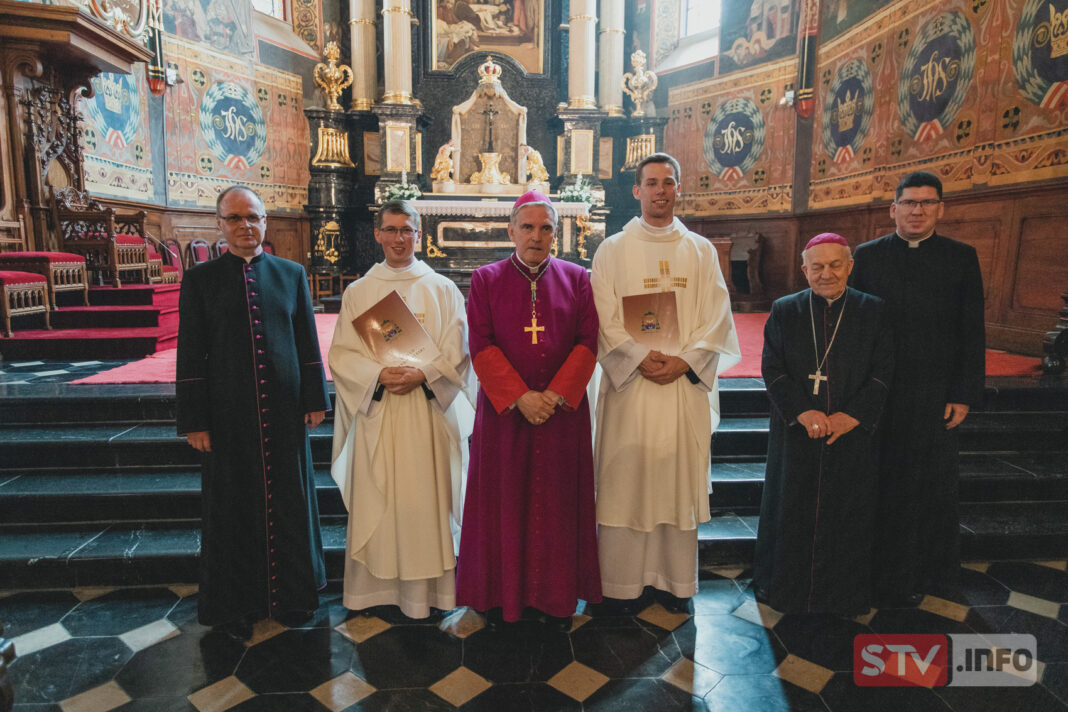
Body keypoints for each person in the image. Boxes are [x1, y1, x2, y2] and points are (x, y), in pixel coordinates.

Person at [176, 186, 329, 639]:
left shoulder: (291, 273)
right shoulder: (201, 280)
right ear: (220, 225)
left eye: (254, 217)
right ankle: (237, 602)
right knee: (232, 507)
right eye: (236, 218)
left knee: (291, 501)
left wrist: (315, 398)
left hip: (285, 411)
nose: (246, 226)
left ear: (265, 222)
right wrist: (195, 420)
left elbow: (306, 340)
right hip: (226, 415)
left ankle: (295, 597)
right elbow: (190, 354)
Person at [591, 153, 740, 613]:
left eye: (668, 182)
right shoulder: (612, 249)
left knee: (675, 479)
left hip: (681, 387)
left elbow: (717, 317)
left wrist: (685, 362)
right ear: (636, 191)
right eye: (651, 183)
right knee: (625, 480)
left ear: (678, 189)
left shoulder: (700, 250)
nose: (660, 190)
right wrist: (638, 358)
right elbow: (602, 315)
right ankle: (621, 585)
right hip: (631, 388)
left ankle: (674, 582)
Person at [456, 190, 602, 628]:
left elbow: (587, 341)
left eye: (546, 228)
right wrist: (521, 397)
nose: (536, 236)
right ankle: (501, 596)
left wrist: (554, 396)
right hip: (506, 415)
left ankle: (556, 596)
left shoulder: (577, 278)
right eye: (528, 227)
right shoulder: (485, 279)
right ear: (511, 231)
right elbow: (480, 344)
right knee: (503, 498)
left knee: (558, 503)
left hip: (562, 415)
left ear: (557, 233)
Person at [328, 200, 472, 619]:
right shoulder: (360, 292)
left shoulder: (442, 288)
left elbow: (457, 352)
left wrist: (423, 375)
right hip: (381, 414)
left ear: (419, 236)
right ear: (377, 234)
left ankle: (430, 595)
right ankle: (375, 592)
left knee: (425, 501)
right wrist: (378, 376)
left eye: (406, 230)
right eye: (390, 230)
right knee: (382, 496)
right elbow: (342, 355)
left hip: (426, 417)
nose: (398, 238)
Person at [851, 171, 985, 605]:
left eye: (927, 203)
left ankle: (929, 573)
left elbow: (971, 329)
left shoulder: (961, 257)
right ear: (893, 209)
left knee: (931, 485)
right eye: (909, 202)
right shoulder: (867, 257)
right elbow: (853, 326)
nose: (917, 210)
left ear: (940, 209)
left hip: (933, 394)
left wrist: (963, 392)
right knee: (881, 481)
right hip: (879, 391)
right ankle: (877, 571)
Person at [753, 233, 893, 615]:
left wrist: (851, 416)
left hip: (850, 436)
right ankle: (786, 589)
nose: (826, 274)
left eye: (835, 265)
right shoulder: (786, 309)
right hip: (797, 434)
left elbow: (884, 372)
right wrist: (802, 411)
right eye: (817, 267)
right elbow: (772, 368)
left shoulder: (873, 310)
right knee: (791, 509)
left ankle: (843, 594)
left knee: (848, 514)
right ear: (804, 270)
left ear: (850, 266)